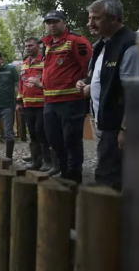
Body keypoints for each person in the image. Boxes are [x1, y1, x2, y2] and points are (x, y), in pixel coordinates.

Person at [76, 0, 139, 190]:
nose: (89, 23)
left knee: (109, 180)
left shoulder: (130, 46)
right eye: (89, 18)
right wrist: (87, 84)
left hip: (118, 128)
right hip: (103, 123)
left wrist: (125, 130)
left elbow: (136, 92)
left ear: (113, 18)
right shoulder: (101, 44)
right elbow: (101, 77)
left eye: (95, 19)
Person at [27, 10, 93, 183]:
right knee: (54, 141)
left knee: (71, 142)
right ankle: (64, 174)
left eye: (55, 21)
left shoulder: (76, 41)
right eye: (48, 22)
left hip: (71, 102)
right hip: (50, 102)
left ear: (64, 22)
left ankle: (74, 178)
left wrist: (85, 83)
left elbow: (90, 67)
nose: (51, 25)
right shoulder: (47, 44)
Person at [17, 37, 53, 171]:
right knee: (32, 133)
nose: (27, 48)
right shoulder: (25, 63)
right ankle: (36, 159)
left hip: (42, 104)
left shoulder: (44, 62)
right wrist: (19, 101)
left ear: (38, 46)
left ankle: (48, 160)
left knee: (42, 132)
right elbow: (21, 84)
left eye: (30, 45)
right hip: (28, 105)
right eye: (26, 46)